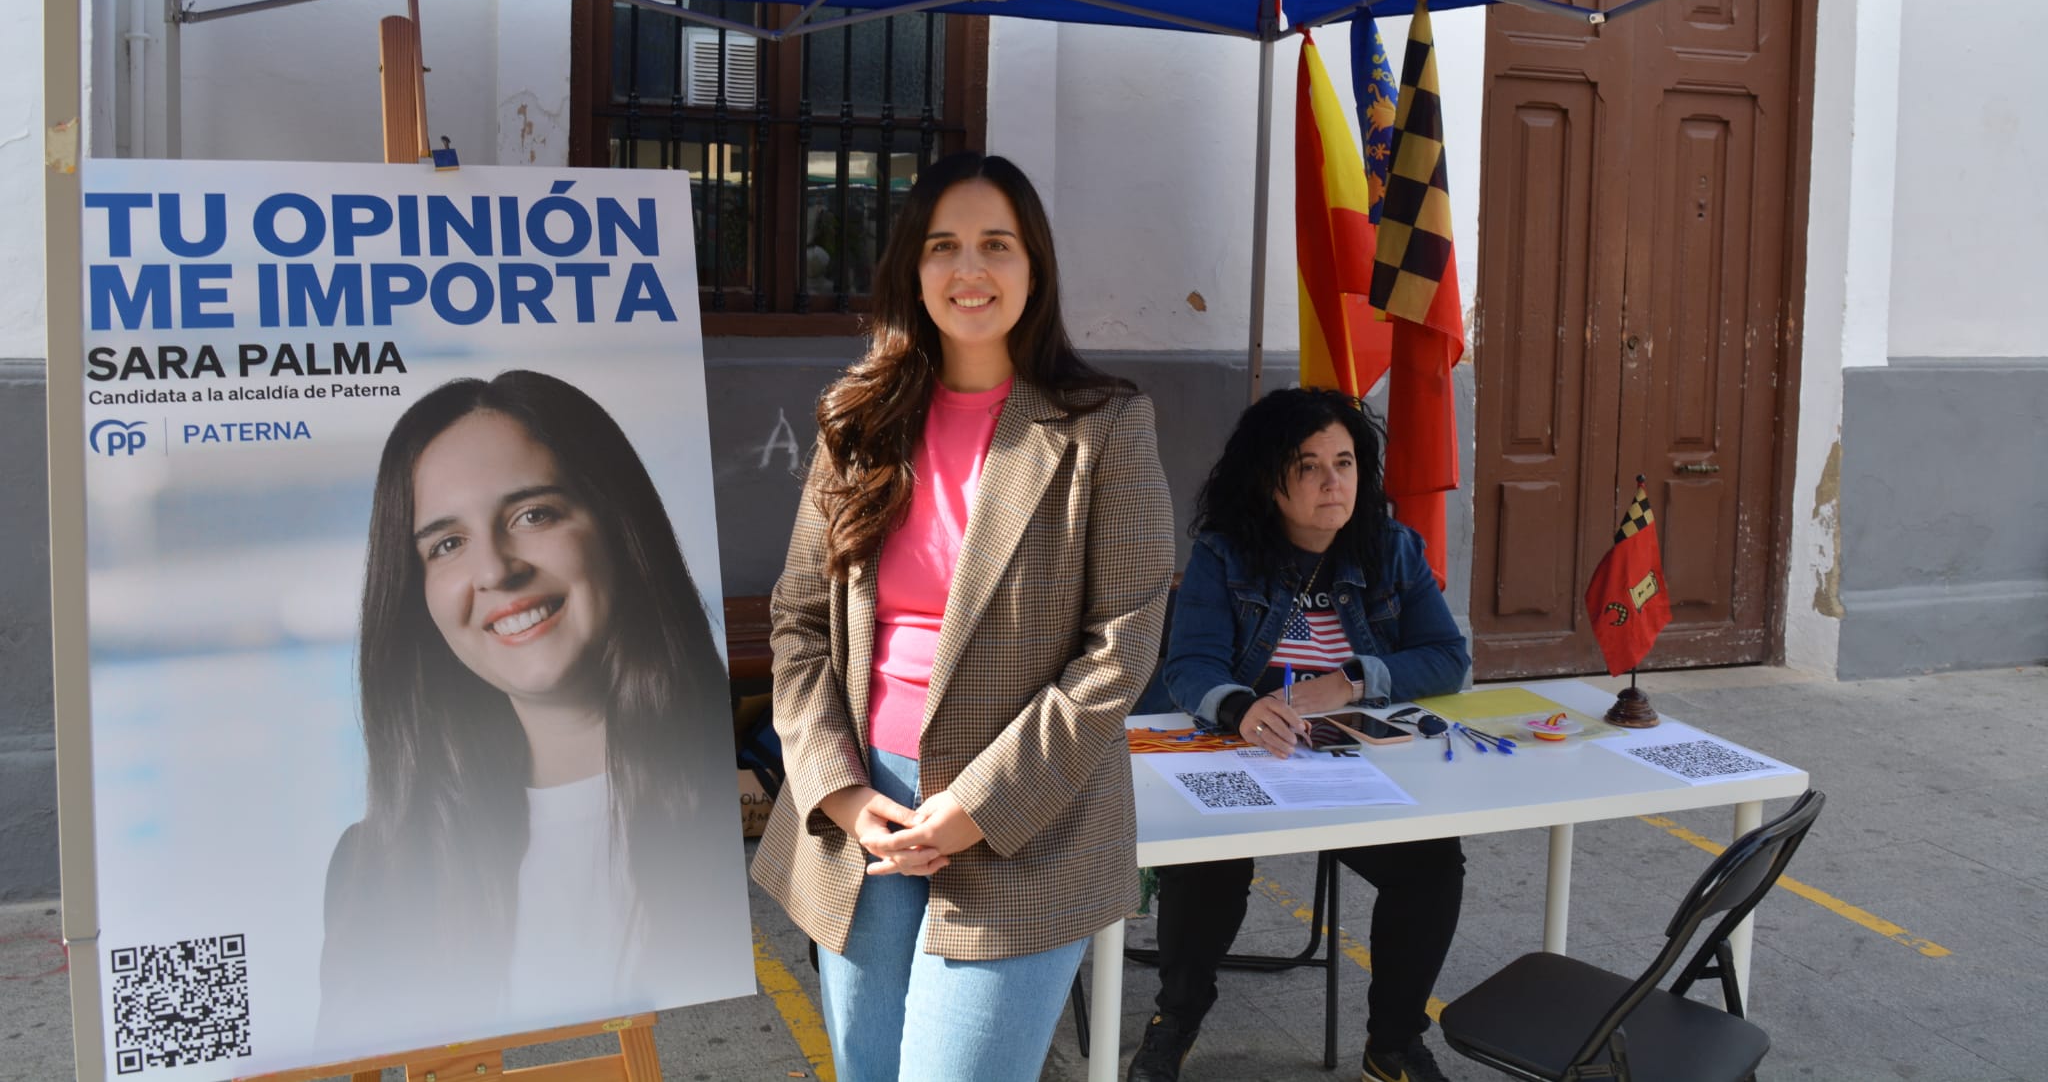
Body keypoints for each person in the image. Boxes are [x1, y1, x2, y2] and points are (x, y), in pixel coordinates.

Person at [750, 151, 1175, 1082]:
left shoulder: (1105, 425)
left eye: (996, 244)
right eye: (943, 245)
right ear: (913, 266)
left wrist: (979, 807)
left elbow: (1122, 646)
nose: (968, 270)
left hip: (1026, 823)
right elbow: (797, 625)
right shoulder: (859, 419)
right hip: (868, 814)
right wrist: (841, 793)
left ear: (1035, 266)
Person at [319, 369, 745, 1042]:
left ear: (618, 525)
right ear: (416, 596)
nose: (494, 569)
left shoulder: (742, 819)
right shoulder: (377, 869)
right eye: (447, 544)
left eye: (532, 513)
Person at [1129, 386, 1470, 1082]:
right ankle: (1177, 1018)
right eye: (1308, 465)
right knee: (1205, 859)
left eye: (1344, 462)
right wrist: (1238, 709)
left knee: (1433, 861)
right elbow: (1189, 663)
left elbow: (1447, 658)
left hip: (1349, 764)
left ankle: (1393, 1043)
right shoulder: (1226, 554)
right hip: (1251, 753)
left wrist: (1350, 680)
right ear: (1268, 478)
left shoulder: (1392, 547)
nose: (1332, 482)